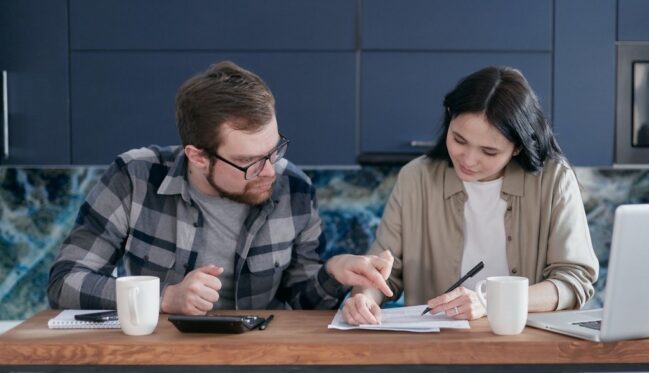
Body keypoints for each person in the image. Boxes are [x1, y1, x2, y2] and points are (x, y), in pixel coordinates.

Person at [48, 61, 394, 314]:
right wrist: (165, 298)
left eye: (275, 149)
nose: (270, 170)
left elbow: (302, 304)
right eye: (250, 161)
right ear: (197, 157)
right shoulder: (134, 177)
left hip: (261, 362)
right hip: (159, 360)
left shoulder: (295, 189)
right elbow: (65, 283)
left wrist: (333, 272)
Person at [342, 66, 599, 324]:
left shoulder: (553, 180)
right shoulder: (415, 178)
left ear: (518, 147)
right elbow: (383, 269)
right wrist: (364, 298)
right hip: (437, 352)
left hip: (527, 346)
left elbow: (573, 280)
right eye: (459, 140)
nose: (469, 160)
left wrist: (492, 302)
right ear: (449, 118)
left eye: (489, 151)